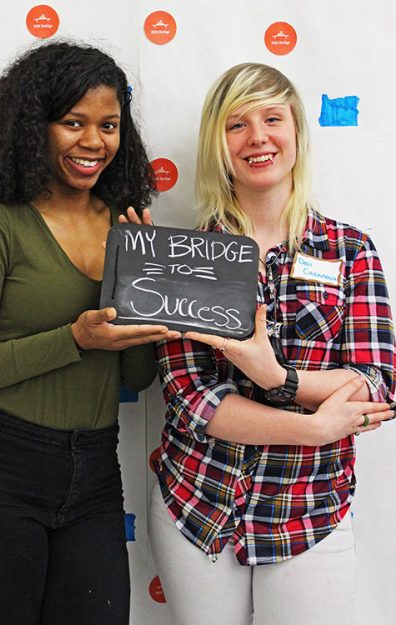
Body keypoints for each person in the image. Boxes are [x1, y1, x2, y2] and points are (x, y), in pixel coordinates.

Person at [0, 41, 180, 625]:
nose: (94, 141)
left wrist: (146, 300)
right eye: (74, 123)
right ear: (33, 127)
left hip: (94, 472)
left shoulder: (126, 228)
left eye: (109, 125)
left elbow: (135, 379)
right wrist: (74, 339)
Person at [145, 63, 395, 625]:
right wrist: (313, 424)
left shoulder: (349, 249)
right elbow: (193, 401)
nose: (257, 137)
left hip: (308, 509)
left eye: (272, 118)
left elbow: (376, 383)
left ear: (297, 132)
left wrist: (273, 375)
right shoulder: (186, 256)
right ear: (219, 145)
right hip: (199, 504)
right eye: (237, 124)